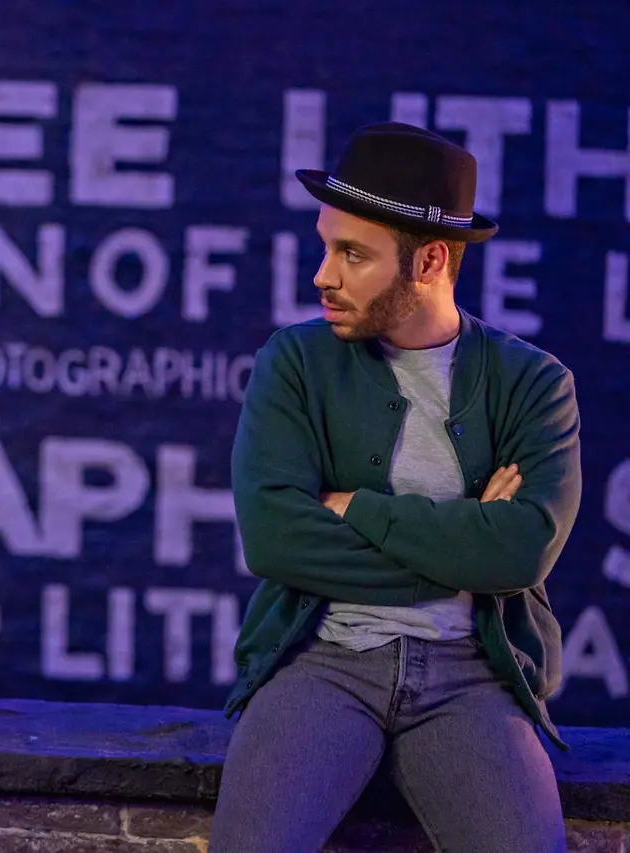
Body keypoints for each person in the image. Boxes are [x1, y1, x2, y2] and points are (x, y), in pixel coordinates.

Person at [211, 122, 581, 852]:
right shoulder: (294, 362)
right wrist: (463, 545)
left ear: (431, 260)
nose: (323, 275)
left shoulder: (535, 384)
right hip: (322, 662)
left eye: (353, 254)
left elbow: (519, 552)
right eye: (326, 246)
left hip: (472, 677)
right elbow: (275, 538)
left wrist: (356, 509)